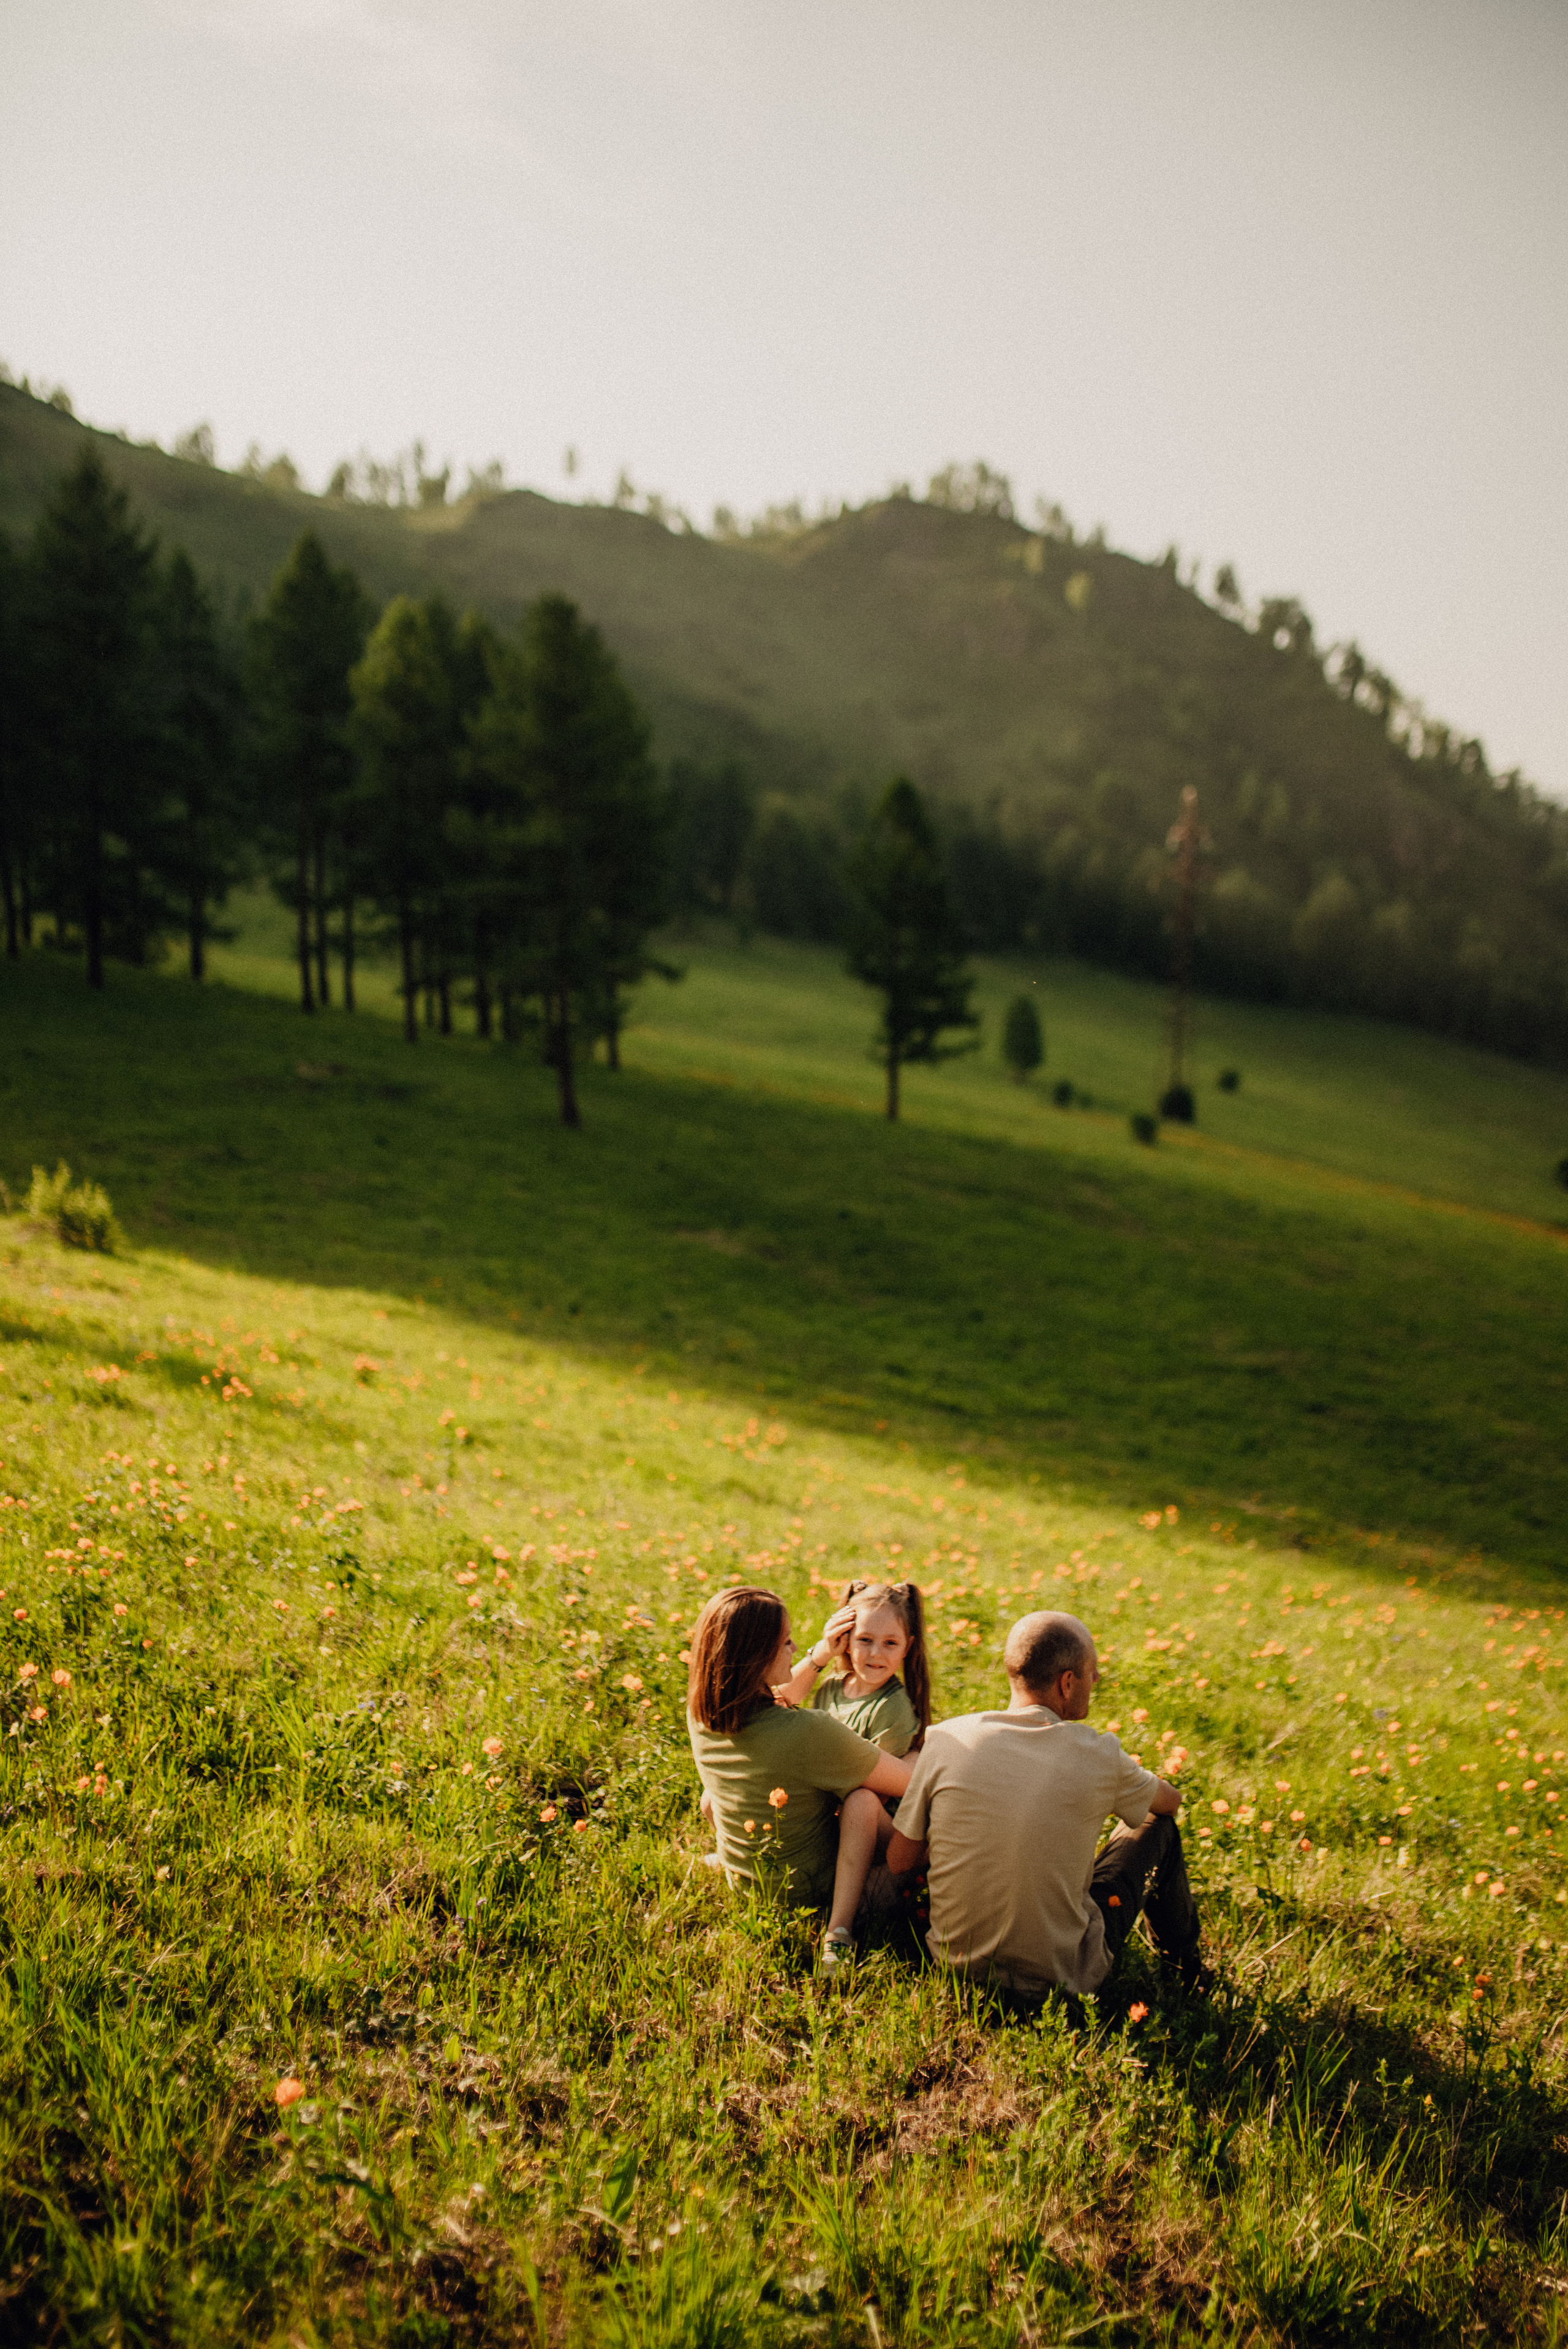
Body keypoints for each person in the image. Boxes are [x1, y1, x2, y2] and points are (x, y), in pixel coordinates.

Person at [887, 1609, 1207, 1999]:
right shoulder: (1099, 1755)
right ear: (1067, 1683)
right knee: (1156, 1827)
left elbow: (900, 1860)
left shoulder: (947, 1739)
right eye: (1093, 1671)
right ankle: (1188, 1970)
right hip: (1059, 1982)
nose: (1098, 1679)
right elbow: (1169, 1803)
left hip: (956, 1969)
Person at [686, 1585, 912, 1932]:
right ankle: (841, 1929)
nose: (795, 1649)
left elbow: (775, 1700)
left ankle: (728, 1861)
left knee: (710, 1798)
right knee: (866, 1801)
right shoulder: (809, 1732)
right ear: (757, 1655)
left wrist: (819, 1657)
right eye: (786, 1642)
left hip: (750, 1882)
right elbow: (908, 1783)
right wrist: (922, 1752)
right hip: (808, 1889)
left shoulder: (703, 1713)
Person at [774, 1577, 932, 1971]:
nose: (876, 1654)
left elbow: (871, 1783)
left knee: (861, 1800)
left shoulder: (893, 1708)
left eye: (890, 1643)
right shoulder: (830, 1689)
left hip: (877, 1828)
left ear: (907, 1648)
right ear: (846, 1638)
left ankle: (839, 1932)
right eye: (864, 1640)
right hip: (830, 1813)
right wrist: (822, 1653)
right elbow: (783, 1698)